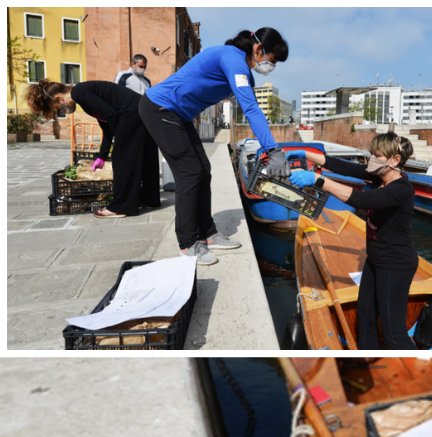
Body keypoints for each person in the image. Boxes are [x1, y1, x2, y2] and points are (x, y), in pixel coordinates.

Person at [140, 27, 290, 265]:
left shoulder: (244, 73)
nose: (269, 67)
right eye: (270, 60)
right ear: (259, 49)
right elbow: (251, 109)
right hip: (160, 108)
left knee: (204, 170)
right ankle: (188, 243)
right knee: (190, 173)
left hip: (179, 115)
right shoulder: (232, 58)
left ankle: (208, 234)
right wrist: (273, 150)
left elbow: (246, 105)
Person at [287, 133, 418, 350]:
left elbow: (363, 200)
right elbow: (343, 167)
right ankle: (367, 360)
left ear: (395, 160)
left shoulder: (402, 190)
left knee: (393, 333)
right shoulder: (379, 178)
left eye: (377, 155)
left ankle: (415, 376)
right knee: (365, 319)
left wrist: (319, 180)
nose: (371, 160)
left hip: (396, 264)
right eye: (371, 154)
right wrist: (305, 154)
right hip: (375, 260)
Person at [26, 79, 160, 218]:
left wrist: (120, 144)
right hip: (142, 110)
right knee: (146, 155)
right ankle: (150, 199)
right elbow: (107, 126)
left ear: (58, 98)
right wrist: (102, 156)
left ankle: (121, 207)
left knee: (122, 159)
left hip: (130, 113)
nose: (63, 110)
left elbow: (111, 116)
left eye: (58, 108)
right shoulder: (84, 95)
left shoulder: (78, 93)